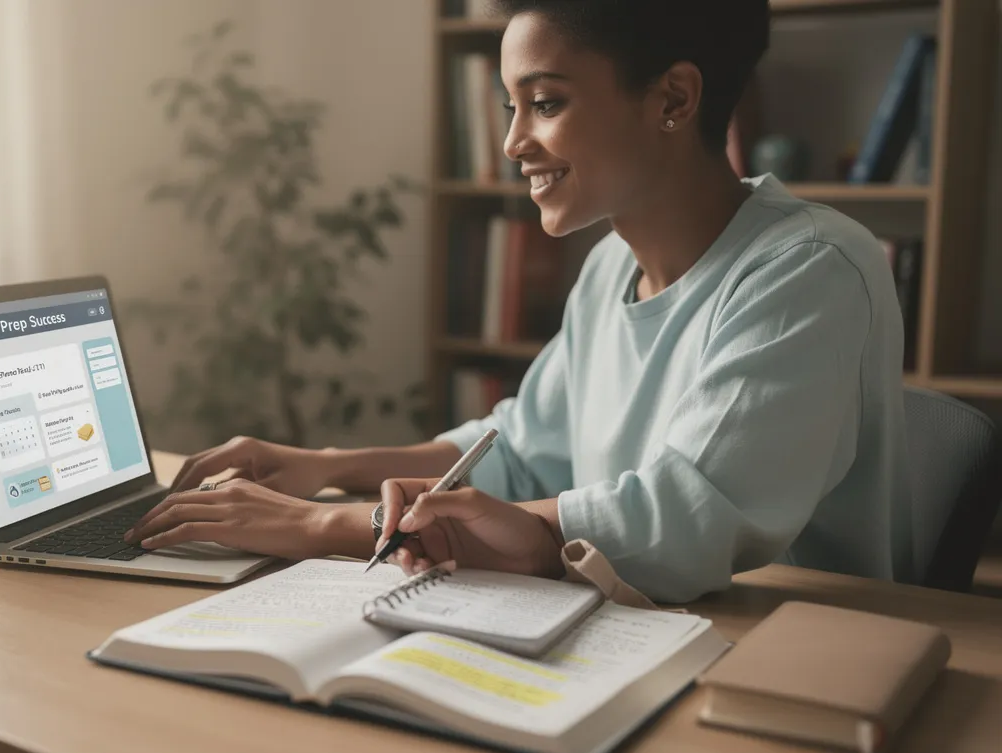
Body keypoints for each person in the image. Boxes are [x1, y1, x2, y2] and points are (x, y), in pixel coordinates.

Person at [125, 0, 914, 602]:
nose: (512, 144)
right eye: (512, 107)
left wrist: (337, 523)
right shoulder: (610, 267)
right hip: (632, 623)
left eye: (544, 103)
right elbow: (522, 448)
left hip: (784, 653)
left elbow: (685, 520)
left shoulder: (808, 269)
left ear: (674, 98)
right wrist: (325, 467)